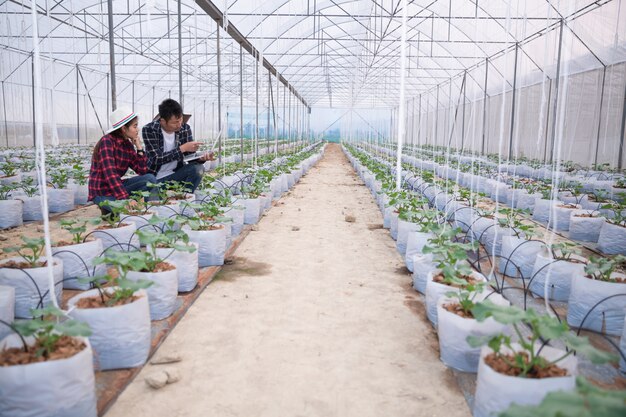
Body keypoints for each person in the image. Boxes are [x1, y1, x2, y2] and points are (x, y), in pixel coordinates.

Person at [88, 107, 157, 212]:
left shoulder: (127, 145)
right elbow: (110, 174)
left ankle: (127, 206)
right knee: (124, 211)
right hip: (102, 191)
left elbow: (142, 170)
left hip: (116, 188)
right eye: (135, 126)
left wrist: (139, 148)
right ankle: (112, 206)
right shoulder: (107, 141)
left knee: (149, 179)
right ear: (124, 129)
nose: (137, 129)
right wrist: (125, 199)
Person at [142, 99, 212, 193]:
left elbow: (189, 157)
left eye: (180, 120)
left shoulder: (185, 128)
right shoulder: (149, 129)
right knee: (155, 201)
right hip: (155, 179)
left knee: (198, 168)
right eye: (175, 122)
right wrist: (183, 148)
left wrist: (201, 158)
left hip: (176, 175)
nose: (179, 125)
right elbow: (156, 158)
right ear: (162, 121)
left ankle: (184, 199)